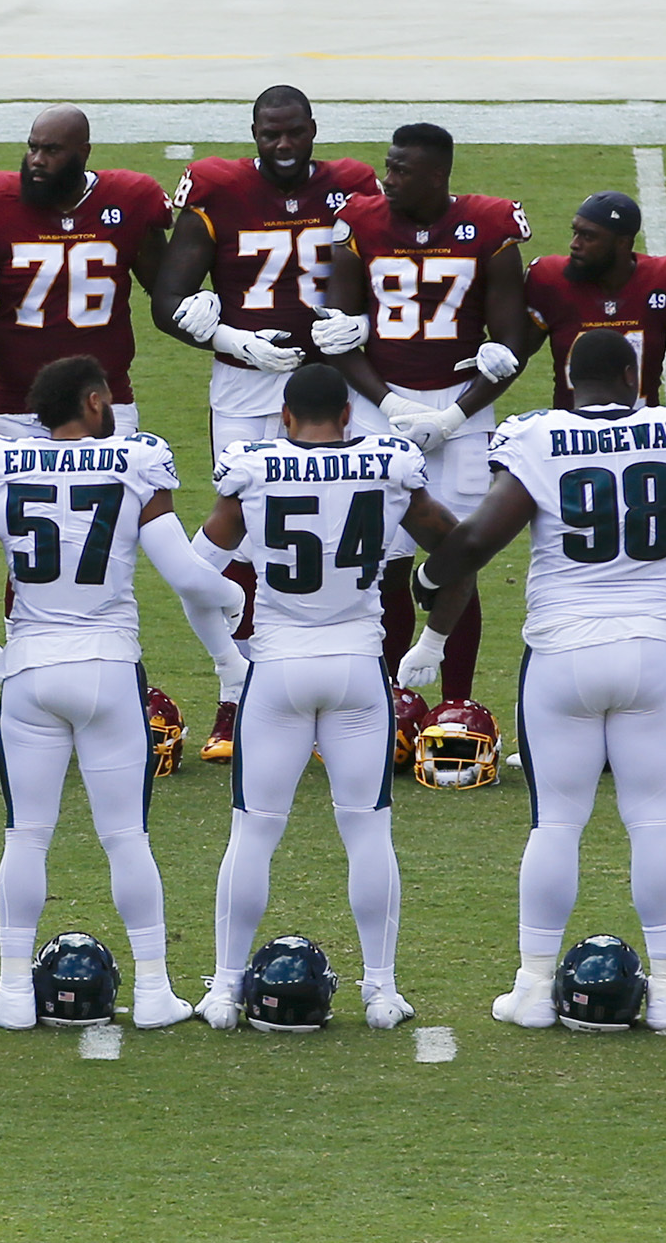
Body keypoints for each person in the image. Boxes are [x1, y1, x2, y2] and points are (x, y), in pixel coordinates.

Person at [410, 330, 666, 1030]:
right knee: (655, 821)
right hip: (653, 650)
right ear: (632, 375)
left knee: (556, 824)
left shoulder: (537, 435)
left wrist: (429, 580)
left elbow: (475, 540)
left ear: (567, 377)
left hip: (561, 651)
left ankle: (533, 987)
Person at [0, 356, 243, 1032]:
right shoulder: (133, 461)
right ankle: (152, 990)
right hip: (109, 666)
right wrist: (229, 600)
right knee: (126, 836)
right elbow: (186, 573)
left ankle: (12, 992)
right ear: (92, 403)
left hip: (29, 669)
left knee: (25, 838)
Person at [188, 364, 458, 1030]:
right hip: (358, 666)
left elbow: (195, 574)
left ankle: (224, 986)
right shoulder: (388, 462)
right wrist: (433, 641)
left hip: (276, 664)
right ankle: (383, 987)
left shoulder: (253, 465)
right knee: (368, 830)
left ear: (284, 417)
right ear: (347, 417)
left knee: (253, 832)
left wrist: (227, 657)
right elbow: (459, 548)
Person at [156, 83, 381, 763]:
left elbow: (385, 276)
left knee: (339, 532)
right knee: (249, 537)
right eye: (269, 135)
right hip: (246, 386)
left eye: (293, 134)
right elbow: (168, 300)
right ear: (253, 133)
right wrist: (232, 339)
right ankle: (242, 687)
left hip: (329, 384)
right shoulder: (217, 191)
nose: (282, 147)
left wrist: (362, 323)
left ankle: (344, 688)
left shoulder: (352, 188)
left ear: (314, 128)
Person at [320, 121, 530, 710]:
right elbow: (338, 334)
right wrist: (388, 404)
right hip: (377, 402)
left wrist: (454, 416)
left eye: (401, 170)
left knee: (459, 555)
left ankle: (456, 706)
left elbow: (512, 344)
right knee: (382, 560)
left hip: (460, 408)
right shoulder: (360, 221)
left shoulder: (488, 224)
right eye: (387, 166)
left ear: (437, 175)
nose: (386, 180)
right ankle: (385, 700)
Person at [0, 104, 172, 440]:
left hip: (103, 401)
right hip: (17, 404)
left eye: (51, 150)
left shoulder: (131, 199)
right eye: (33, 147)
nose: (37, 160)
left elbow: (167, 292)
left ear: (83, 153)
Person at [517, 191, 666, 411]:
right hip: (573, 433)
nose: (574, 244)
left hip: (641, 433)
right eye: (575, 232)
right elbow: (514, 351)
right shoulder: (549, 279)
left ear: (623, 243)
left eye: (588, 236)